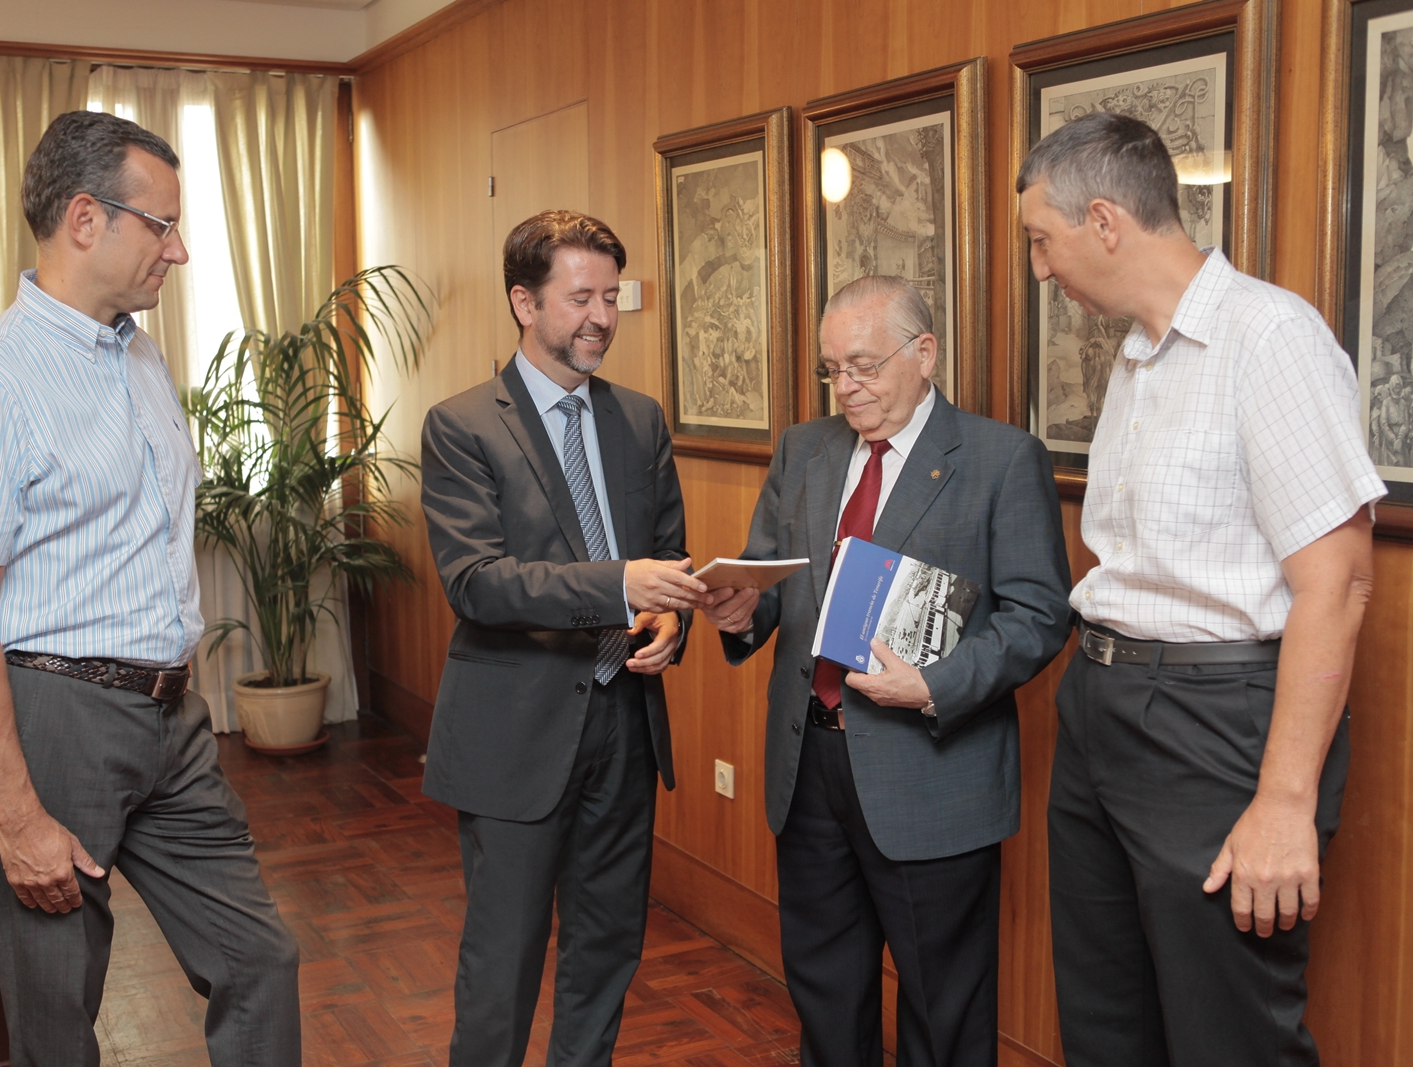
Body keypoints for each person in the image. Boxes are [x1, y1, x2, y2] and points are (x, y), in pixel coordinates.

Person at [0, 111, 300, 1067]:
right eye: (161, 225)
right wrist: (20, 814)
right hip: (51, 717)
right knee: (55, 1018)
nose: (182, 249)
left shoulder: (136, 353)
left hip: (171, 716)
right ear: (86, 219)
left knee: (261, 958)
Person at [1016, 111, 1385, 1067]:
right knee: (1105, 1019)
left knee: (1229, 1033)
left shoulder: (1270, 340)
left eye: (1041, 242)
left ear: (1103, 221)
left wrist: (1284, 799)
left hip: (1214, 722)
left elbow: (1337, 584)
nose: (1040, 269)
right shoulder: (1138, 358)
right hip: (1103, 706)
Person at [701, 276, 1073, 1067]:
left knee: (945, 1009)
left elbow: (1040, 616)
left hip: (929, 769)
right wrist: (742, 612)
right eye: (834, 369)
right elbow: (771, 578)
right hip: (809, 763)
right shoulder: (806, 448)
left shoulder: (1000, 458)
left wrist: (937, 685)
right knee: (826, 994)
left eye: (864, 366)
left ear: (924, 353)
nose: (848, 387)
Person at [420, 209, 708, 1067]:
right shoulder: (463, 424)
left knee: (607, 950)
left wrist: (671, 619)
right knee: (503, 963)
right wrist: (621, 585)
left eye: (611, 297)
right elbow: (477, 581)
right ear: (524, 301)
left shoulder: (641, 420)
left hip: (624, 728)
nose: (601, 317)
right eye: (580, 297)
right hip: (515, 732)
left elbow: (669, 558)